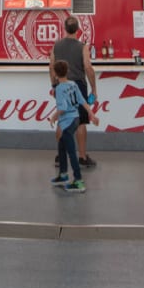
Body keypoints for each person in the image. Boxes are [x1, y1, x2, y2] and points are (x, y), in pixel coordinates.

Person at [49, 18, 99, 168]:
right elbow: (88, 67)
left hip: (61, 85)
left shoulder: (56, 46)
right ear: (78, 29)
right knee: (81, 122)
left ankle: (60, 155)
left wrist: (54, 85)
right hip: (78, 86)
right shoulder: (82, 47)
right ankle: (82, 157)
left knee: (62, 119)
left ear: (64, 28)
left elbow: (51, 66)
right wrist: (94, 88)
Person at [49, 60, 86, 193]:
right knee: (62, 145)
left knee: (71, 151)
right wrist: (92, 115)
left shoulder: (59, 89)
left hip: (67, 121)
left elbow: (63, 108)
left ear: (56, 74)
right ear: (67, 71)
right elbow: (82, 100)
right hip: (76, 118)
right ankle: (63, 174)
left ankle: (79, 181)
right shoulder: (73, 84)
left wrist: (53, 116)